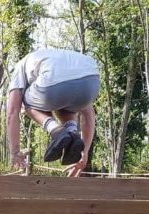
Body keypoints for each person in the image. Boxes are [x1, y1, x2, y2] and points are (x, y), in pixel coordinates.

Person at [7, 48, 100, 177]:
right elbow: (88, 115)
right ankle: (72, 133)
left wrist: (14, 151)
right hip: (92, 80)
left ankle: (57, 131)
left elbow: (12, 112)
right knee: (69, 104)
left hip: (53, 81)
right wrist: (84, 152)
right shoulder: (61, 58)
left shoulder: (20, 67)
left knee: (25, 103)